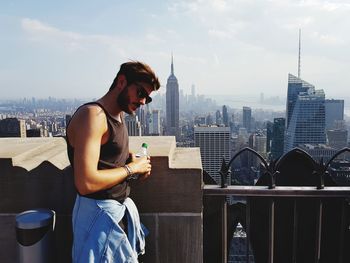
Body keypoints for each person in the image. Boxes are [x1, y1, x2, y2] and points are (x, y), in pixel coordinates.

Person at [65, 61, 160, 262]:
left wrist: (132, 162)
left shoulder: (117, 116)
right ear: (121, 82)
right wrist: (131, 168)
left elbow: (105, 158)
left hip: (114, 219)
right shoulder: (93, 116)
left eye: (148, 98)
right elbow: (85, 183)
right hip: (98, 220)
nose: (143, 102)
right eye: (140, 93)